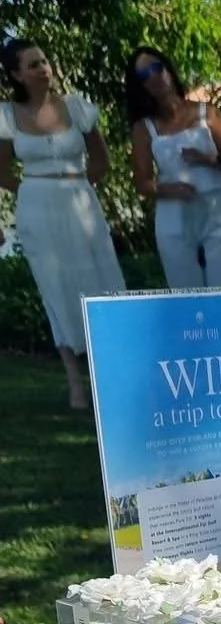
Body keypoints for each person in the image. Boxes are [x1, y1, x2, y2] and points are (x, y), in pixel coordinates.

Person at [0, 36, 125, 409]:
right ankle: (74, 380)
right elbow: (1, 169)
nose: (43, 69)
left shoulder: (77, 108)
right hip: (37, 205)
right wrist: (31, 189)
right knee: (55, 286)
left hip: (80, 199)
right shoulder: (7, 116)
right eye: (33, 65)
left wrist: (80, 187)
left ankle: (113, 373)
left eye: (44, 62)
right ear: (17, 75)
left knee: (101, 279)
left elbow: (101, 160)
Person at [124, 46, 221, 291]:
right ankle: (195, 332)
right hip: (173, 212)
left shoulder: (206, 113)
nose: (153, 76)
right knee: (185, 293)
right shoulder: (144, 128)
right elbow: (143, 184)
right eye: (144, 74)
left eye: (156, 67)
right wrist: (170, 190)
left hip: (217, 208)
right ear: (140, 86)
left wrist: (209, 160)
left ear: (168, 69)